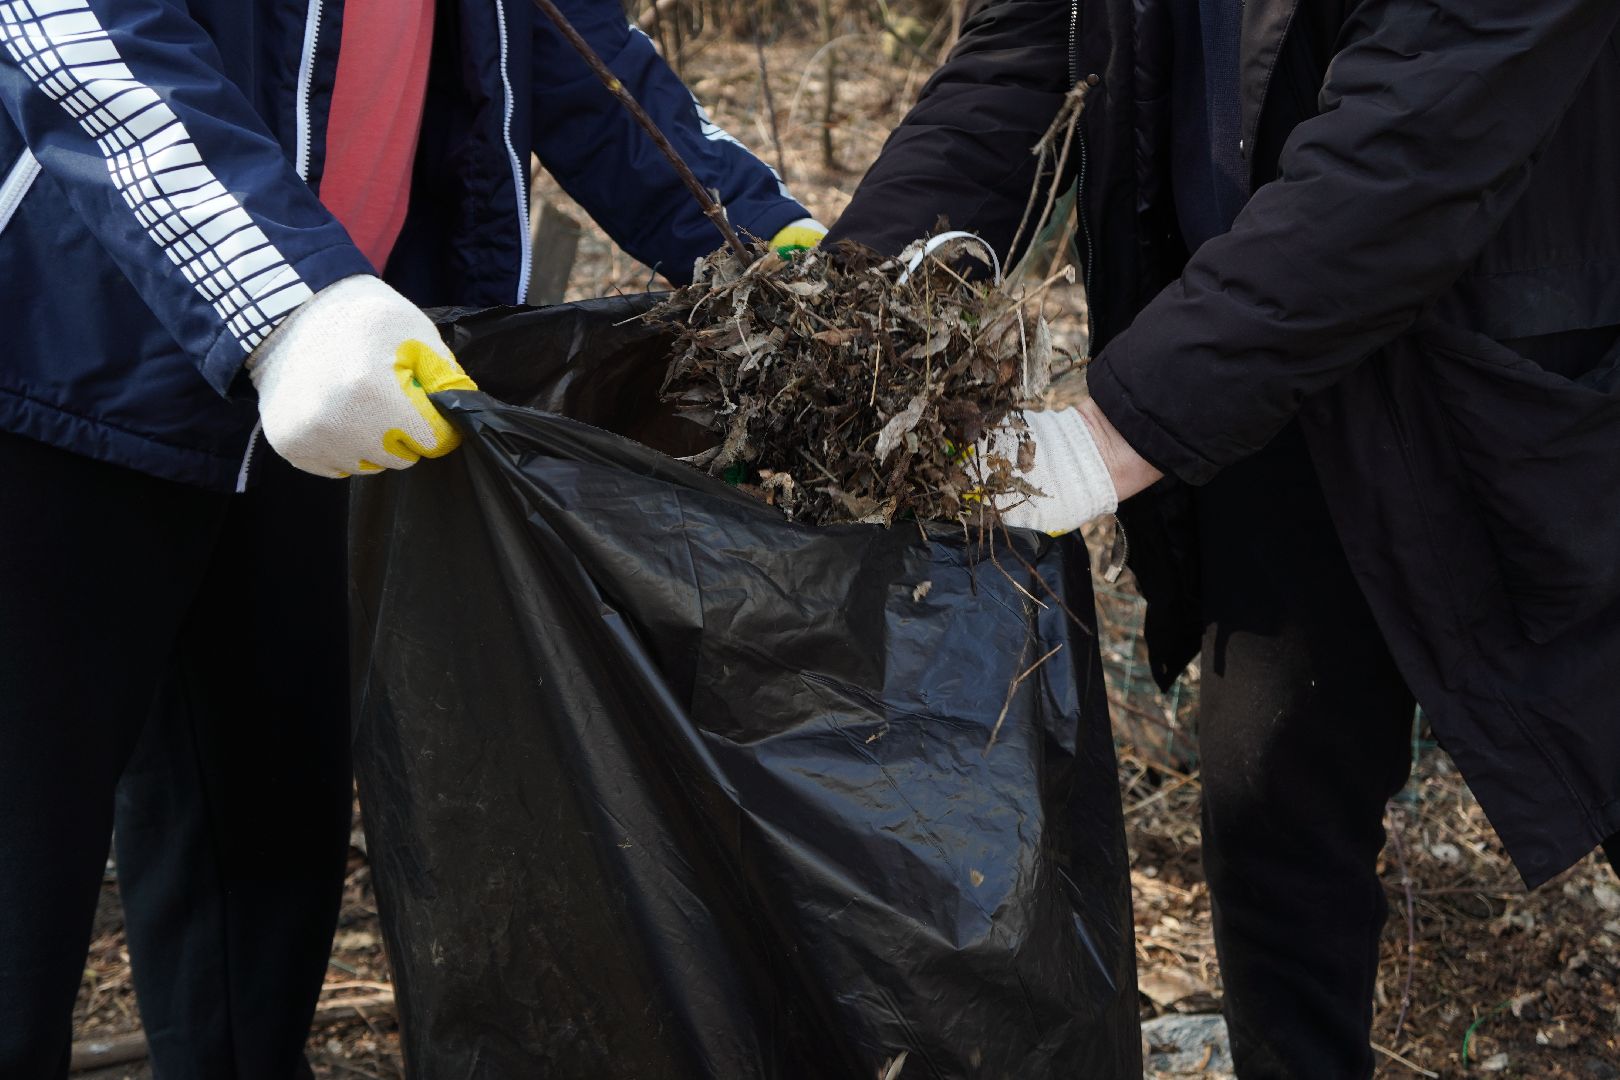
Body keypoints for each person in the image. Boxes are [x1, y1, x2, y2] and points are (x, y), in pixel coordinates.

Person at [0, 0, 819, 1076]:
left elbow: (574, 49)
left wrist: (768, 250)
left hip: (325, 397)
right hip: (61, 368)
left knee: (263, 853)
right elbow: (72, 29)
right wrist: (285, 307)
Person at [829, 0, 1620, 1075]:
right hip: (1267, 391)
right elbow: (1032, 44)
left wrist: (1111, 434)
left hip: (1531, 390)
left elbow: (1414, 147)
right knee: (1274, 804)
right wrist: (850, 310)